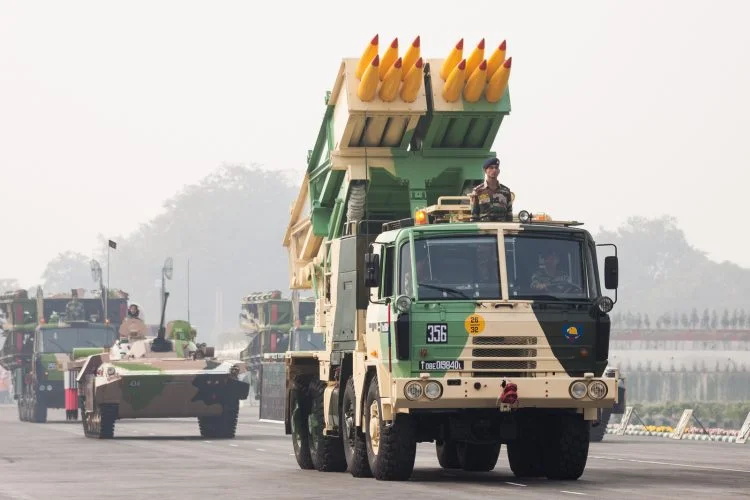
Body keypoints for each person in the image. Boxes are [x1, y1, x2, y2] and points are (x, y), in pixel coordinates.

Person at [469, 157, 513, 222]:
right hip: (485, 230)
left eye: (496, 168)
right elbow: (474, 216)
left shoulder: (506, 191)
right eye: (491, 168)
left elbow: (509, 215)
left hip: (501, 230)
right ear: (485, 170)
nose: (494, 170)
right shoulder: (478, 191)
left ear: (499, 171)